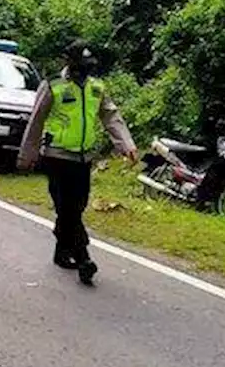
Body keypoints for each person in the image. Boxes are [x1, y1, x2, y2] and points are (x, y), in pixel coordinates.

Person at [17, 40, 138, 285]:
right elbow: (36, 121)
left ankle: (62, 250)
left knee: (76, 206)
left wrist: (126, 144)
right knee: (68, 209)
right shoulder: (53, 86)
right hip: (56, 156)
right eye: (80, 65)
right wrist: (26, 156)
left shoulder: (97, 87)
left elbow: (111, 117)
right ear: (69, 63)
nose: (84, 70)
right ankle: (83, 258)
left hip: (83, 158)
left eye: (88, 65)